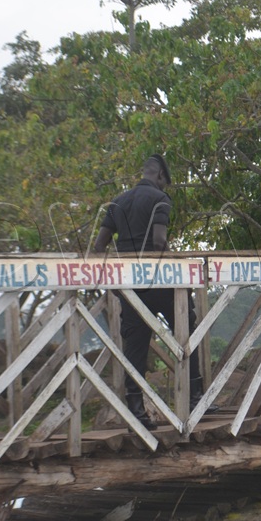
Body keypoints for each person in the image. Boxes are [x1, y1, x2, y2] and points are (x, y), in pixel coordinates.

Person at [93, 154, 218, 430]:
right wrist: (175, 266)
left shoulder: (118, 202)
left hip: (131, 285)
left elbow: (100, 245)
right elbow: (159, 242)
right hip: (159, 283)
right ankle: (195, 396)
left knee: (135, 346)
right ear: (161, 176)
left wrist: (111, 283)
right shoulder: (160, 199)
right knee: (187, 332)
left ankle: (136, 409)